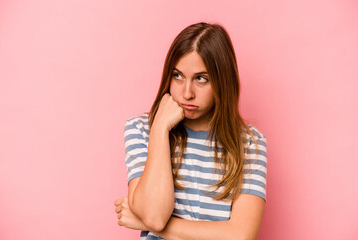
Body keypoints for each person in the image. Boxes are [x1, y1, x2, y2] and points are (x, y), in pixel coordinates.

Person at [114, 22, 267, 240]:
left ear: (222, 82)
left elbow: (240, 236)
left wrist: (149, 224)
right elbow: (155, 215)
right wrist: (160, 127)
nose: (186, 93)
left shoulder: (248, 142)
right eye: (177, 76)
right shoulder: (141, 129)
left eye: (201, 79)